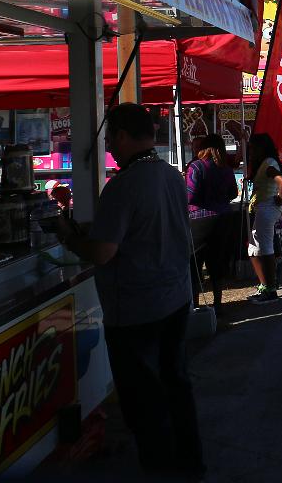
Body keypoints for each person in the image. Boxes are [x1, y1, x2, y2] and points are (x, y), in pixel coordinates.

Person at [56, 103, 204, 477]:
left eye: (110, 139)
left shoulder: (122, 186)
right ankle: (190, 463)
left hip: (137, 309)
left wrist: (70, 239)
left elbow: (104, 253)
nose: (109, 147)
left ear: (122, 135)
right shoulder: (172, 176)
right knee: (176, 385)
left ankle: (160, 470)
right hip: (174, 297)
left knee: (145, 400)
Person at [186, 133, 239, 314]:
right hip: (223, 218)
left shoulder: (196, 167)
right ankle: (218, 304)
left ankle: (195, 304)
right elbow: (233, 193)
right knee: (217, 263)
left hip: (200, 218)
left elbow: (190, 195)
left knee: (194, 264)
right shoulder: (226, 169)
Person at [247, 133, 282, 303]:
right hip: (263, 207)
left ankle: (270, 289)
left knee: (265, 249)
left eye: (253, 148)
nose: (251, 152)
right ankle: (266, 285)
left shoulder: (268, 164)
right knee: (254, 250)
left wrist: (279, 197)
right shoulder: (266, 163)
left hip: (266, 207)